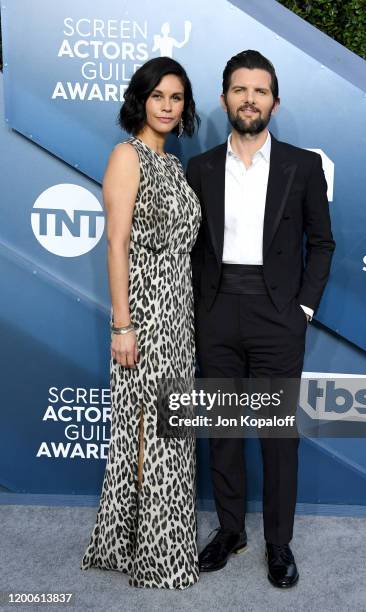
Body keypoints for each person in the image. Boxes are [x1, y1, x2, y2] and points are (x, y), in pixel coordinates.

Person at [186, 50, 335, 588]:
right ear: (224, 97)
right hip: (218, 311)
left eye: (260, 90)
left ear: (275, 101)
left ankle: (278, 543)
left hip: (278, 315)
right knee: (222, 429)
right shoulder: (199, 167)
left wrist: (302, 309)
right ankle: (231, 531)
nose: (250, 98)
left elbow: (322, 243)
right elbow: (193, 248)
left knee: (278, 436)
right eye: (240, 89)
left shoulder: (303, 165)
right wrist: (201, 309)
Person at [80, 57, 201, 590]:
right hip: (147, 314)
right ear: (140, 100)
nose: (168, 107)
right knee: (150, 432)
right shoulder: (125, 157)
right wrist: (123, 325)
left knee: (169, 429)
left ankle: (146, 542)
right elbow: (116, 242)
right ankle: (154, 551)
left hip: (179, 311)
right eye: (159, 97)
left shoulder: (172, 165)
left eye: (176, 98)